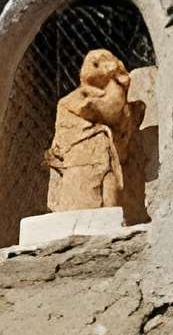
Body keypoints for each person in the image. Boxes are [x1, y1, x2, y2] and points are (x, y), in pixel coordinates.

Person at [44, 48, 144, 215]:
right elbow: (100, 111)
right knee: (81, 208)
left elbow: (115, 114)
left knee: (110, 208)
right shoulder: (72, 102)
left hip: (104, 159)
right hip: (80, 162)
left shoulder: (115, 100)